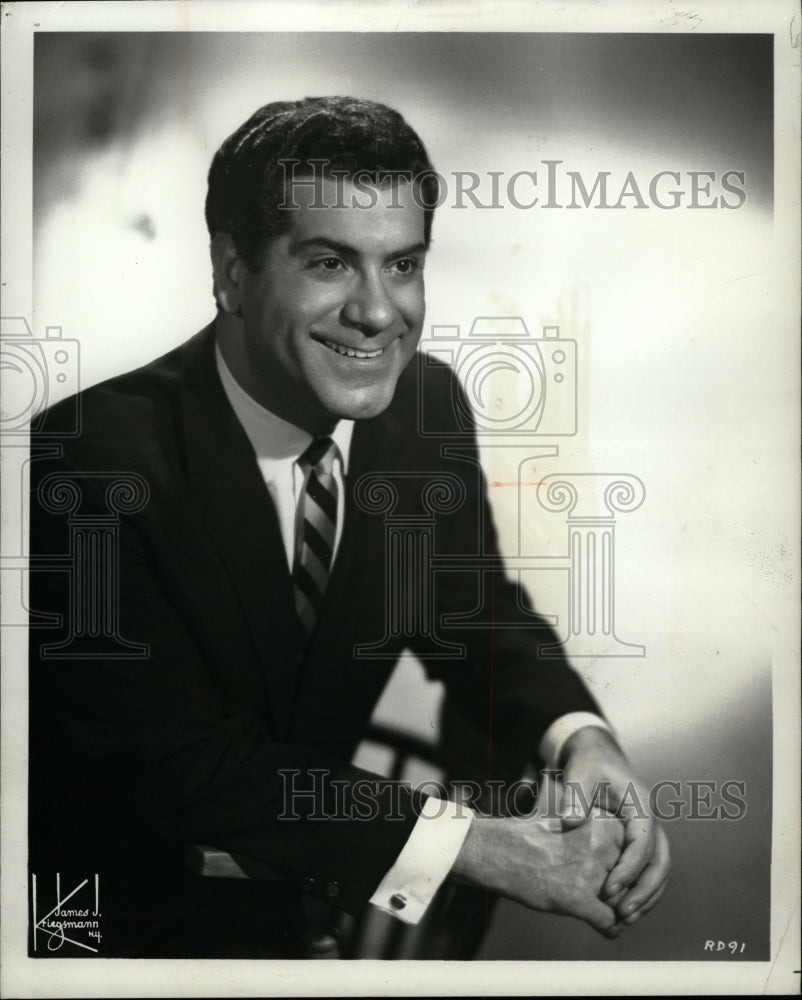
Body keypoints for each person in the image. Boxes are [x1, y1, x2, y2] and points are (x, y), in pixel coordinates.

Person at [28, 96, 670, 959]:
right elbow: (188, 767)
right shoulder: (85, 464)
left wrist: (580, 738)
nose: (378, 313)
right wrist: (477, 849)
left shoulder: (426, 405)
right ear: (230, 272)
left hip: (318, 921)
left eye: (402, 264)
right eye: (331, 263)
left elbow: (469, 607)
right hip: (115, 942)